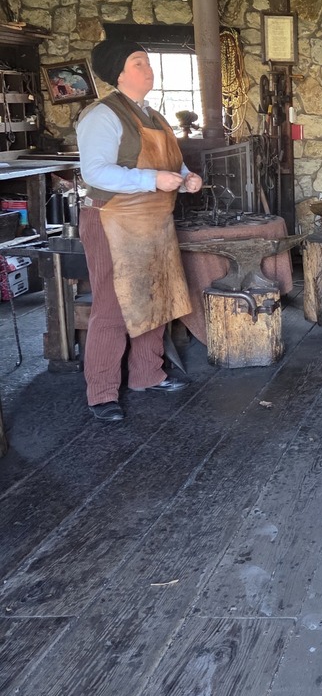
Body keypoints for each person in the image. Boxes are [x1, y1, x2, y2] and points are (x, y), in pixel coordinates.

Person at [76, 40, 202, 422]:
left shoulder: (154, 116)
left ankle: (147, 374)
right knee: (113, 307)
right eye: (138, 63)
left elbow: (171, 165)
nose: (148, 69)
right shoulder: (102, 115)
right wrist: (152, 178)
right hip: (114, 220)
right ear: (118, 72)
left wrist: (186, 178)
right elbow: (95, 172)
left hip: (153, 220)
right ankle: (101, 392)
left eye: (148, 62)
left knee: (154, 298)